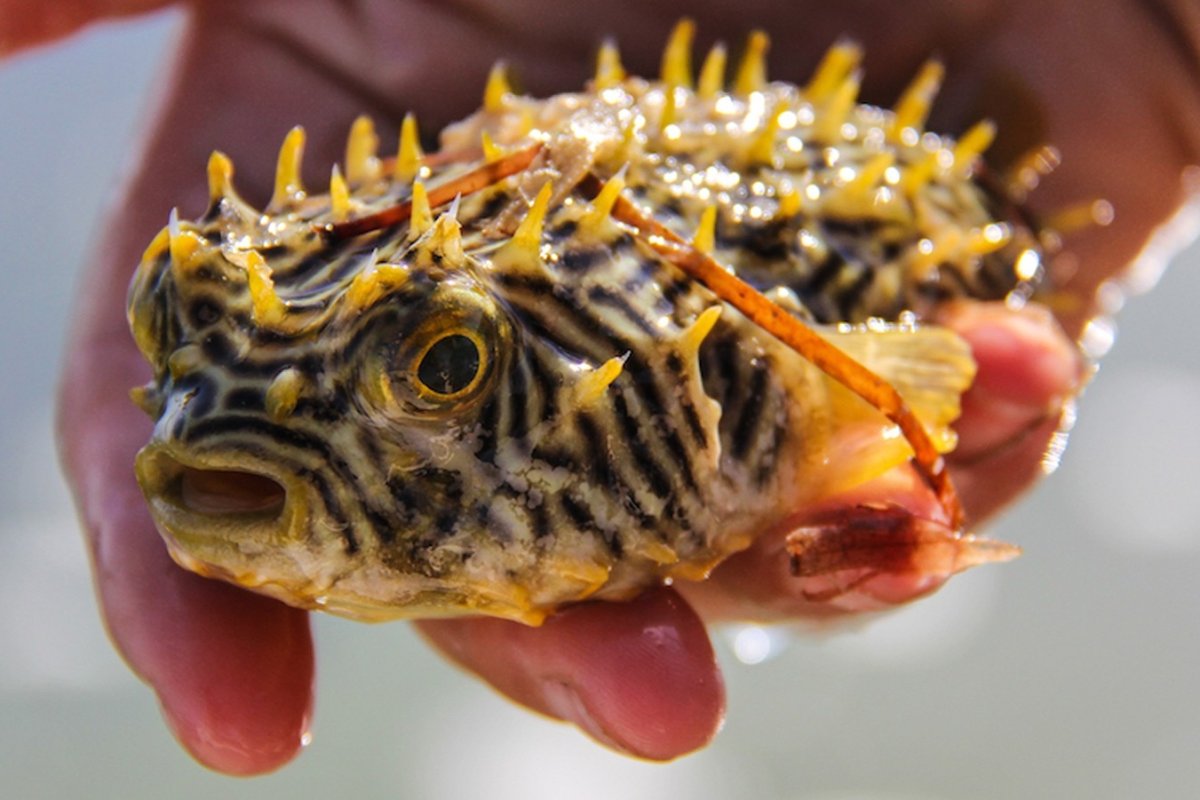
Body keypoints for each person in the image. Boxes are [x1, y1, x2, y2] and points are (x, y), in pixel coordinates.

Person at [8, 0, 1196, 775]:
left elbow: (916, 381)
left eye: (442, 370)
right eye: (182, 317)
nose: (187, 431)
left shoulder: (714, 356)